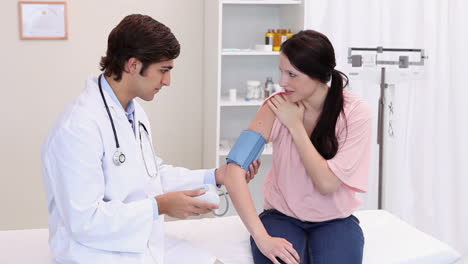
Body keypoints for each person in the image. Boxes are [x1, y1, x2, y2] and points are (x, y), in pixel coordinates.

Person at [41, 14, 260, 264]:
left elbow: (152, 175)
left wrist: (215, 176)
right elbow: (85, 220)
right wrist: (160, 206)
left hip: (139, 240)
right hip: (94, 251)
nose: (168, 81)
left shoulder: (134, 112)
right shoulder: (77, 127)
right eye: (163, 70)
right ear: (133, 65)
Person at [223, 30, 373, 264]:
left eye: (292, 74)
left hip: (335, 220)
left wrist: (294, 125)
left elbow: (327, 184)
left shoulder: (355, 113)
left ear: (318, 75)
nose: (283, 82)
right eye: (281, 71)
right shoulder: (275, 106)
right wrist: (262, 237)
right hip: (281, 217)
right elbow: (233, 170)